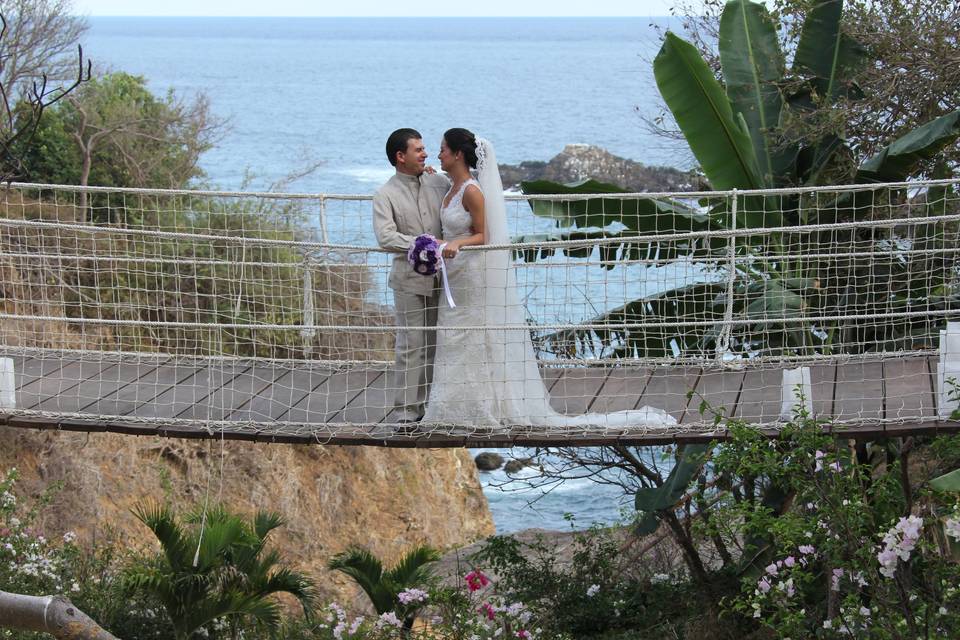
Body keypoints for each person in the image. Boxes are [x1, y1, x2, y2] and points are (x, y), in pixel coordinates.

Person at [422, 128, 675, 431]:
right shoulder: (450, 187)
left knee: (474, 336)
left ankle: (481, 406)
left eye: (443, 149)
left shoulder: (472, 191)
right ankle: (454, 405)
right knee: (453, 336)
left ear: (458, 154)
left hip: (471, 274)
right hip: (454, 274)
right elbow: (447, 216)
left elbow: (483, 235)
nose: (439, 154)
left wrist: (459, 244)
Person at [372, 128, 450, 425]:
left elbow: (461, 200)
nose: (425, 153)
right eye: (418, 150)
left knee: (437, 344)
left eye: (425, 148)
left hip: (445, 279)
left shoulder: (438, 182)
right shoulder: (385, 194)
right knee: (411, 344)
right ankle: (406, 412)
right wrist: (422, 244)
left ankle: (432, 406)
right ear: (400, 156)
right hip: (408, 280)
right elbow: (385, 236)